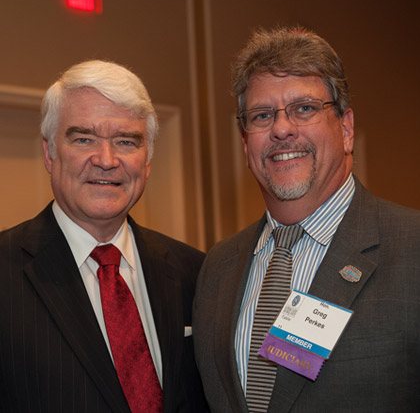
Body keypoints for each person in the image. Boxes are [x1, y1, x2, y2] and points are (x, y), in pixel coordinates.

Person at [193, 27, 420, 412]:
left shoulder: (412, 251)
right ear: (245, 143)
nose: (281, 129)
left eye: (304, 109)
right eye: (262, 115)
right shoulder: (217, 267)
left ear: (346, 129)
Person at [0, 60, 208, 413]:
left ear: (147, 161)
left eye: (126, 142)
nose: (106, 160)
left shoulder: (196, 272)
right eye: (84, 139)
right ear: (49, 153)